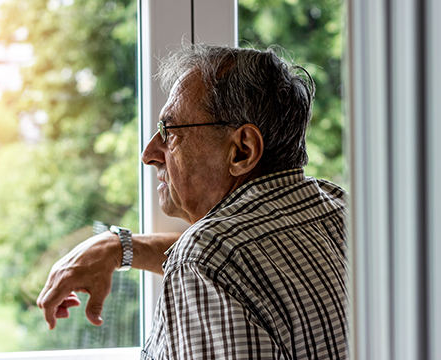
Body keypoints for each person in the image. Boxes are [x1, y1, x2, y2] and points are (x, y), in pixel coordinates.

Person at [37, 44, 348, 359]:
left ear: (243, 149)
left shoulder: (205, 258)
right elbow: (248, 262)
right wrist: (120, 248)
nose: (148, 154)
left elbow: (218, 258)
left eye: (169, 131)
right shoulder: (338, 207)